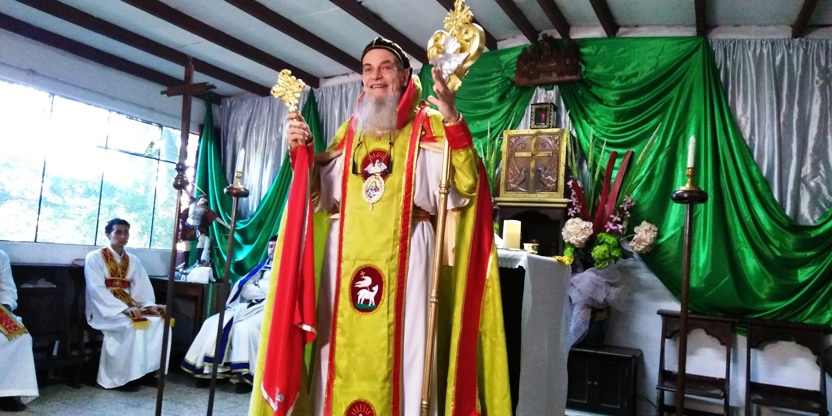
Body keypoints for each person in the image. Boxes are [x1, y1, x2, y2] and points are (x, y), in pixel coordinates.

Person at [255, 37, 511, 416]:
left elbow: (467, 184)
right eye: (368, 69)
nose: (376, 76)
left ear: (405, 76)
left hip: (410, 259)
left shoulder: (430, 124)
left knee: (408, 355)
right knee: (336, 351)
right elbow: (320, 199)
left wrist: (454, 120)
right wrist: (302, 152)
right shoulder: (350, 131)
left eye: (386, 67)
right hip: (344, 263)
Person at [181, 235, 277, 392]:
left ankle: (246, 377)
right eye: (270, 246)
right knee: (213, 323)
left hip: (270, 309)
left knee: (245, 329)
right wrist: (263, 287)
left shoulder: (287, 269)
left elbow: (278, 291)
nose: (272, 250)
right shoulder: (261, 267)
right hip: (249, 306)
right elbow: (245, 289)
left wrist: (259, 284)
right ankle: (211, 372)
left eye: (276, 246)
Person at [84, 218, 169, 391]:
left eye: (126, 232)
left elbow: (141, 287)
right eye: (118, 232)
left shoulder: (133, 260)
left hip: (130, 306)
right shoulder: (95, 257)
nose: (123, 236)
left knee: (158, 322)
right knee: (132, 326)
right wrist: (123, 309)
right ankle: (121, 378)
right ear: (108, 235)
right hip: (105, 310)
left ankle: (146, 373)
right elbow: (96, 289)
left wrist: (149, 306)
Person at [0, 249, 38, 412]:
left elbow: (8, 288)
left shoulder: (1, 256)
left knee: (20, 337)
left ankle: (7, 393)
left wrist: (6, 306)